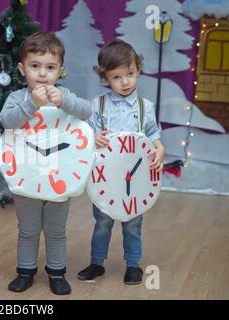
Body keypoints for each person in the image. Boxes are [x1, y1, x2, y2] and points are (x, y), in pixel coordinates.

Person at [0, 32, 91, 295]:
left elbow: (87, 112)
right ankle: (25, 271)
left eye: (50, 68)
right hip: (27, 175)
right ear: (22, 69)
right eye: (35, 66)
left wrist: (66, 101)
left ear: (59, 71)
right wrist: (32, 104)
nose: (42, 74)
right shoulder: (18, 98)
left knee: (56, 229)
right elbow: (7, 122)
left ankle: (57, 272)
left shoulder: (63, 96)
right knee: (27, 229)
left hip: (59, 174)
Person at [77, 39, 165, 285]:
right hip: (106, 177)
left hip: (136, 179)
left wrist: (160, 149)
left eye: (130, 74)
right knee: (102, 222)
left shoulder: (144, 107)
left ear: (138, 69)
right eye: (117, 77)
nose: (125, 82)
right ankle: (97, 262)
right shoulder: (98, 105)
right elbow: (86, 135)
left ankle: (133, 264)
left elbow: (153, 135)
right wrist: (93, 137)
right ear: (105, 78)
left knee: (133, 224)